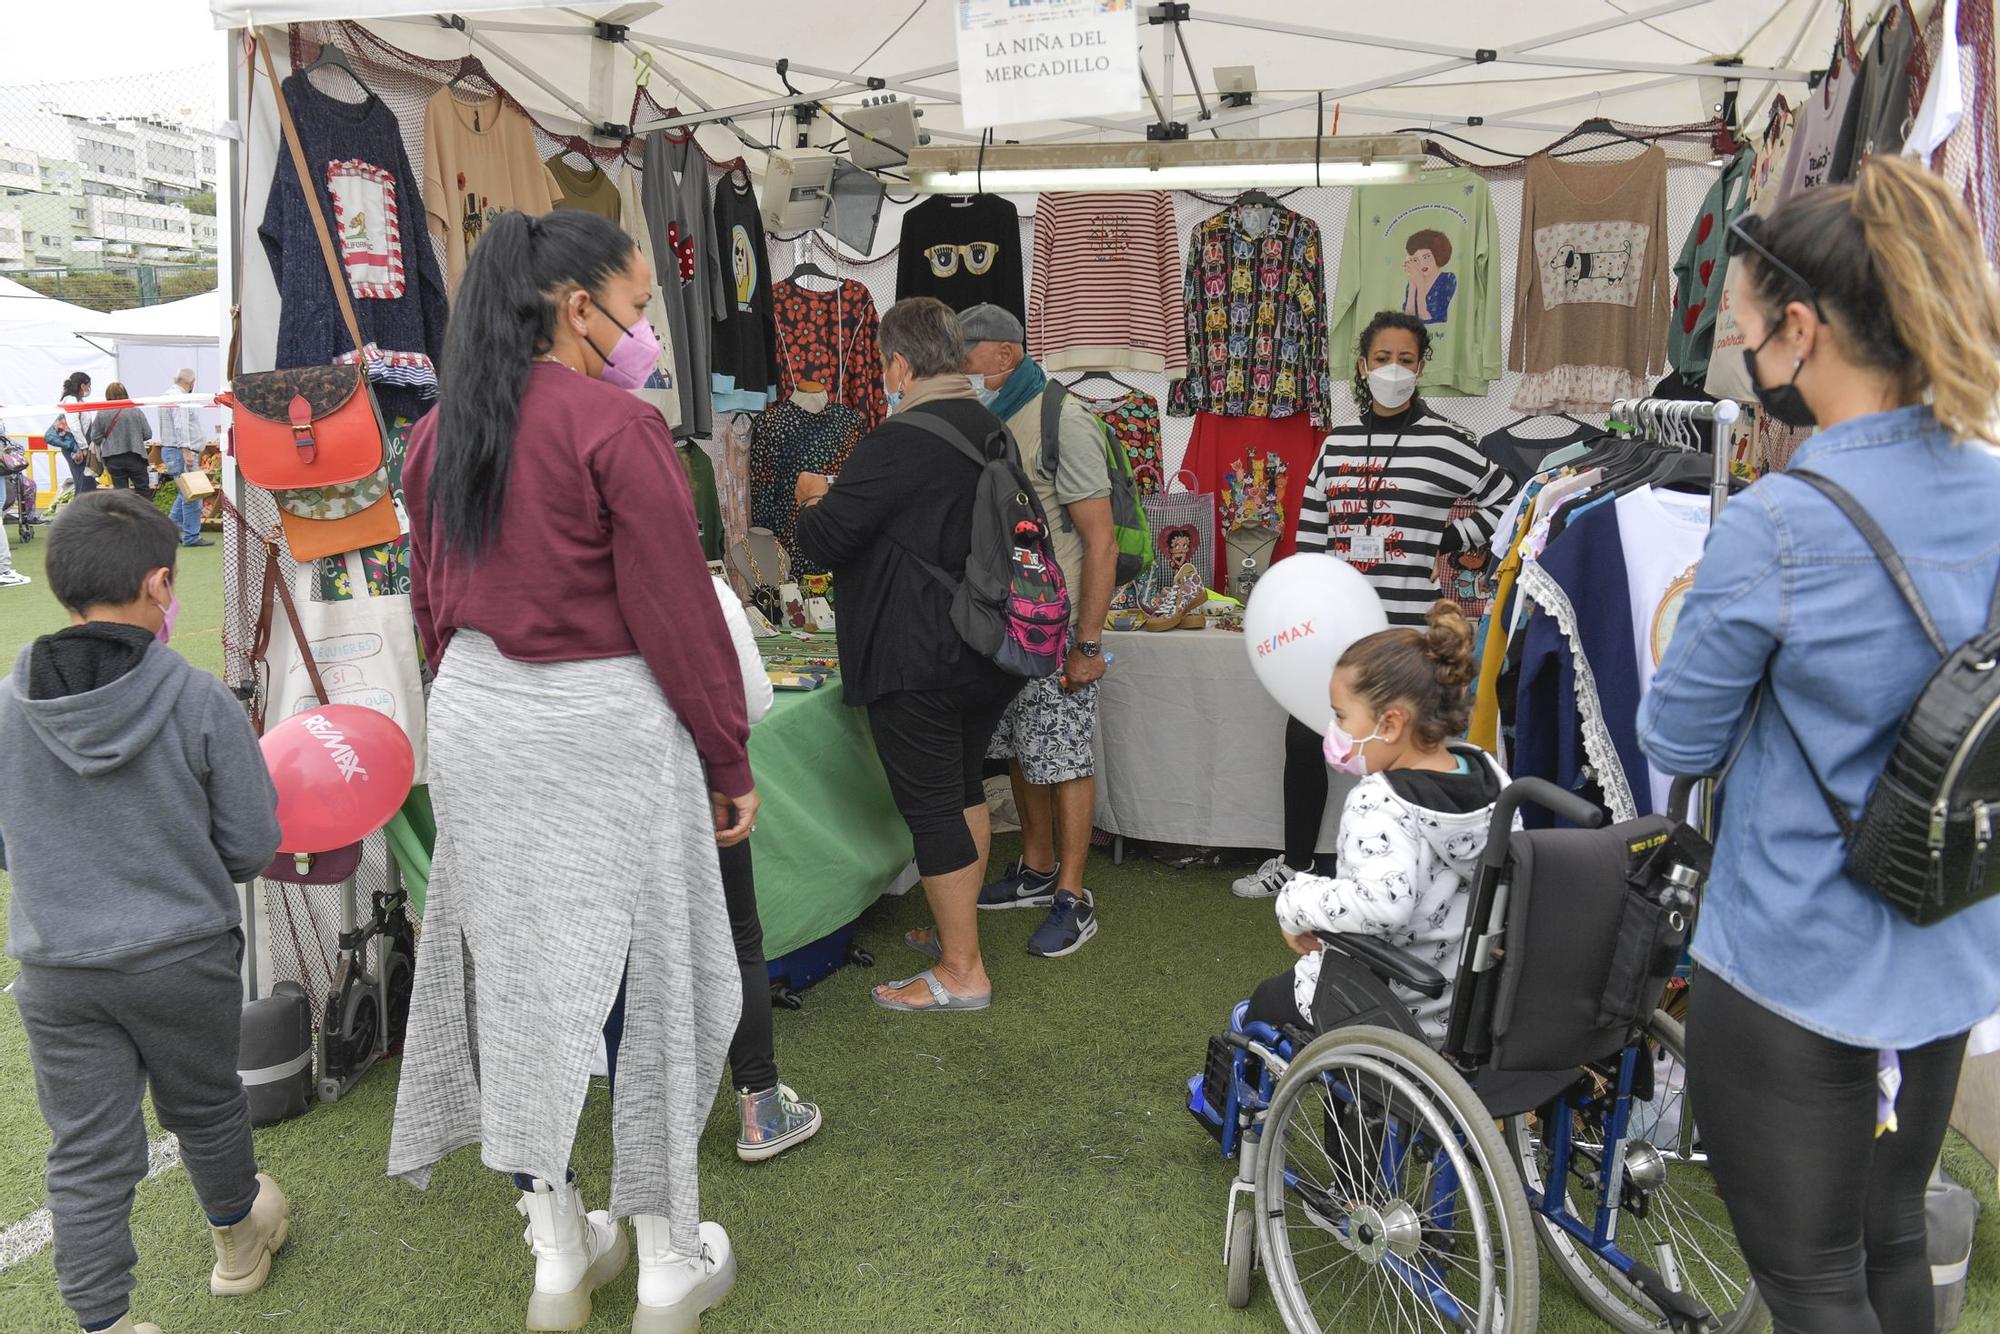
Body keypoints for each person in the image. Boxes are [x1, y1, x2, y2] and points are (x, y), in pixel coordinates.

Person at [1638, 158, 2000, 1334]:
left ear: (1801, 328)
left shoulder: (1777, 523)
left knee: (1807, 1282)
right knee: (1893, 1232)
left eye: (1743, 329)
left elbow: (1675, 733)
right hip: (1944, 933)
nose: (1742, 355)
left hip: (1792, 948)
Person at [389, 209, 748, 1332]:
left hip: (480, 721)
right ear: (575, 305)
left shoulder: (441, 432)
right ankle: (662, 1259)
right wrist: (727, 751)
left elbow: (432, 608)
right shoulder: (612, 426)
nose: (643, 332)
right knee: (654, 982)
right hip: (601, 724)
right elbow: (675, 610)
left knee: (517, 981)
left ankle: (557, 1250)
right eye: (638, 310)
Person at [0, 491, 289, 1334]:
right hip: (183, 957)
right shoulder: (198, 701)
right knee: (205, 1106)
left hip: (57, 967)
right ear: (162, 583)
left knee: (86, 1152)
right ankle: (238, 1243)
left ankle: (104, 1322)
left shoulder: (9, 705)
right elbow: (250, 844)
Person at [1236, 311, 1515, 901]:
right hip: (1332, 637)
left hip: (1405, 631)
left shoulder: (1445, 442)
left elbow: (1509, 501)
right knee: (1303, 742)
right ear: (1362, 366)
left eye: (1407, 360)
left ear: (1421, 367)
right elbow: (1311, 531)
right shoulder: (1336, 443)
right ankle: (1296, 863)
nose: (1394, 370)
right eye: (1382, 358)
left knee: (1403, 747)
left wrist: (1453, 539)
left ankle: (1404, 869)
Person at [794, 297, 1023, 1013]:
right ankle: (955, 935)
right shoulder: (992, 428)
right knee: (959, 790)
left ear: (897, 365)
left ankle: (963, 971)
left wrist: (810, 502)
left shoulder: (896, 439)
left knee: (931, 807)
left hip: (916, 652)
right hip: (987, 645)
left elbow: (823, 542)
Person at [1242, 603, 1504, 1042]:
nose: (1334, 729)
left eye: (1342, 716)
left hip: (1393, 1004)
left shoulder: (1382, 800)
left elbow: (1382, 903)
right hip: (1470, 1005)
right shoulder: (1491, 778)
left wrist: (1296, 902)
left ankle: (1231, 1106)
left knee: (1263, 1005)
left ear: (1390, 724)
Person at [956, 302, 1117, 959]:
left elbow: (1099, 540)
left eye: (967, 356)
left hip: (1058, 634)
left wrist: (1088, 643)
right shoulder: (993, 416)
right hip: (1008, 631)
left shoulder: (1062, 418)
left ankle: (1073, 898)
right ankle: (1038, 865)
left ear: (1004, 354)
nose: (961, 368)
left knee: (1067, 759)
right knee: (1024, 748)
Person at [707, 573, 824, 1162]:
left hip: (592, 802)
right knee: (736, 940)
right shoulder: (698, 588)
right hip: (697, 788)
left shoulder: (547, 582)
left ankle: (648, 1120)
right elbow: (754, 701)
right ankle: (760, 1105)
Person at [156, 368, 212, 548]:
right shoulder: (181, 397)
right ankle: (191, 536)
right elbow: (181, 426)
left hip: (172, 450)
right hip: (180, 452)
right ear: (191, 382)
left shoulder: (167, 395)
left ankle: (168, 532)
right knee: (193, 495)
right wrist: (186, 450)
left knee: (184, 493)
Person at [85, 385, 152, 494]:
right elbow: (148, 434)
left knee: (121, 494)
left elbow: (95, 437)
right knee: (143, 490)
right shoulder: (135, 411)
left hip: (113, 457)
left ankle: (123, 511)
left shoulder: (102, 413)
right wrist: (134, 436)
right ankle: (145, 510)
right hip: (136, 456)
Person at [51, 371, 98, 497]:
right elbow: (74, 425)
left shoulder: (77, 400)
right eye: (88, 385)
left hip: (79, 445)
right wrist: (83, 446)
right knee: (83, 481)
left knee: (87, 481)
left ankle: (85, 512)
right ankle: (80, 513)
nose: (89, 388)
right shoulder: (72, 400)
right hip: (76, 447)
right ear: (82, 386)